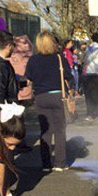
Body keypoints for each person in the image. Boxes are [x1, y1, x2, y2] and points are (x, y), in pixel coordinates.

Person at [24, 30, 76, 171]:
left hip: (41, 97)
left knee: (45, 131)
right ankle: (60, 163)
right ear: (52, 43)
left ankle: (46, 164)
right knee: (59, 130)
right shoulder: (59, 58)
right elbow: (68, 76)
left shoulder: (33, 60)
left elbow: (29, 78)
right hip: (58, 96)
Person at [81, 33, 98, 120]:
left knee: (90, 94)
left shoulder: (87, 49)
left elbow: (84, 61)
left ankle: (90, 114)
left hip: (89, 74)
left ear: (92, 39)